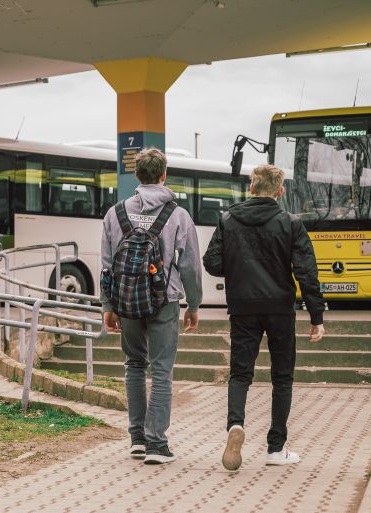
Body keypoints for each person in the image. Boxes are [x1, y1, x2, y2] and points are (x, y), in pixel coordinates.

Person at [203, 164, 325, 471]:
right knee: (282, 376)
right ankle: (275, 448)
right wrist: (316, 315)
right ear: (280, 191)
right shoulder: (290, 223)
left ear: (252, 189)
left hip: (243, 306)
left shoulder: (228, 219)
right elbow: (306, 272)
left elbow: (212, 262)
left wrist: (240, 264)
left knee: (240, 373)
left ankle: (235, 425)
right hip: (280, 308)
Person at [101, 147, 203, 465]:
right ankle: (156, 444)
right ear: (164, 175)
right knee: (161, 370)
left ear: (136, 175)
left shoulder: (114, 213)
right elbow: (190, 266)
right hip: (164, 302)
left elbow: (107, 265)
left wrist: (108, 305)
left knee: (134, 365)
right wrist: (194, 304)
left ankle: (137, 439)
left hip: (127, 302)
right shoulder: (179, 216)